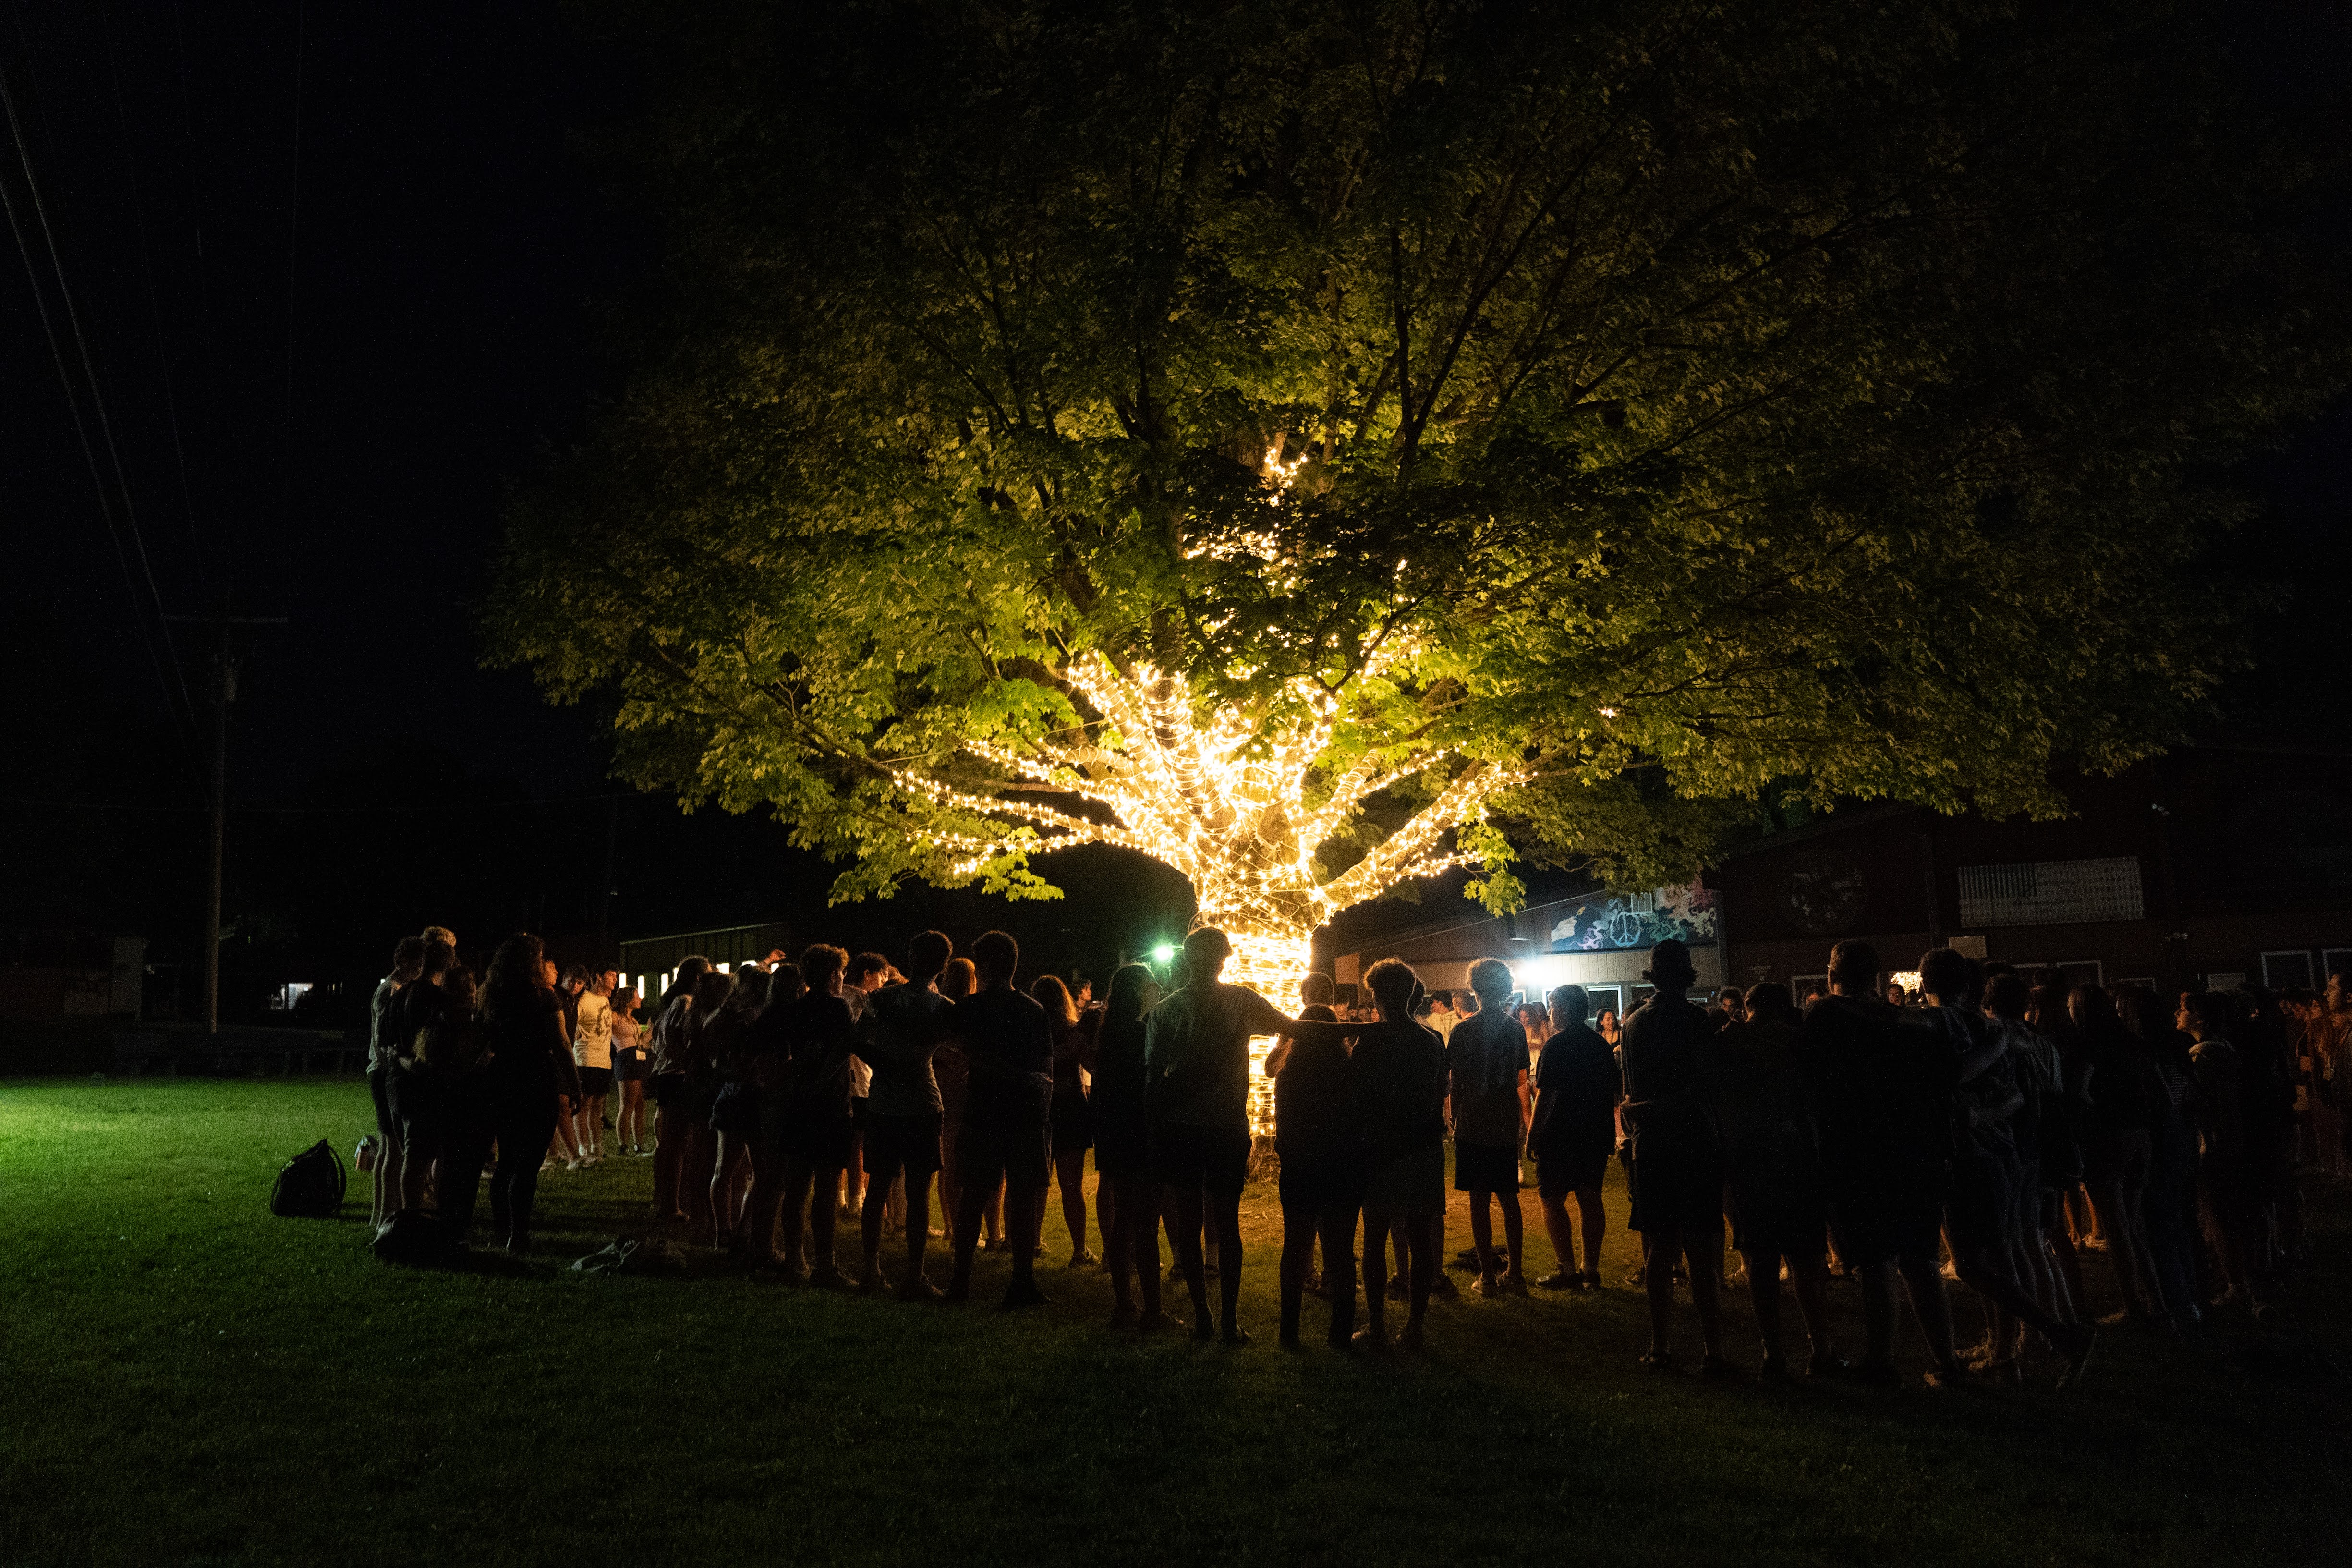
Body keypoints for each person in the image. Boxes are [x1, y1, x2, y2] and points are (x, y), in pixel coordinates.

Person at [1919, 950, 2096, 1386]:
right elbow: (2020, 1095)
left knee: (1973, 1263)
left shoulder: (1933, 1026)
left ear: (1923, 983)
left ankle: (2049, 1336)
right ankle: (2009, 1351)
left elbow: (1944, 1081)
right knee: (2000, 1257)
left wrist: (1968, 1117)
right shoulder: (1993, 1031)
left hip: (1966, 1157)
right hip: (2005, 1152)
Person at [1799, 939, 1965, 1387]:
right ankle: (1946, 1361)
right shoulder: (1906, 1021)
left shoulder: (1824, 1016)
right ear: (1874, 978)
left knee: (1876, 1262)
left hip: (1858, 1154)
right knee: (1920, 1260)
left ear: (1832, 974)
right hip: (1915, 1152)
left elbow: (1807, 1083)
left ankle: (1881, 1360)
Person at [1144, 926, 1313, 1343]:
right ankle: (1228, 1320)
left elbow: (1152, 1080)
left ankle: (1204, 1317)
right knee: (1227, 1222)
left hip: (1181, 1129)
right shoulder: (1240, 1000)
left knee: (1189, 1222)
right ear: (1223, 958)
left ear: (1187, 959)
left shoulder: (1166, 1010)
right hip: (1225, 1126)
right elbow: (1293, 1026)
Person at [1705, 984, 1842, 1377]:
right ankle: (1821, 1350)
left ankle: (1773, 1352)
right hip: (1798, 1159)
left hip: (1748, 1162)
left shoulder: (1727, 1043)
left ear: (1747, 1008)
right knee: (1807, 1260)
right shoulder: (1801, 1042)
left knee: (1761, 1262)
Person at [1617, 940, 1733, 1376]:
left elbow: (1631, 1093)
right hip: (1695, 1144)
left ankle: (1660, 1345)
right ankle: (1713, 1351)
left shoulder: (1635, 1023)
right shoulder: (1696, 1021)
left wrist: (1641, 1113)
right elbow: (1706, 1088)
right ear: (1687, 977)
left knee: (1660, 1250)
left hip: (1653, 1145)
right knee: (1701, 1253)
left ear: (1653, 977)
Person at [946, 930, 1055, 1309]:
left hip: (984, 1111)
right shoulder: (1033, 1010)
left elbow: (958, 1048)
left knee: (974, 1196)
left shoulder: (971, 1009)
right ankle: (1022, 1282)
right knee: (1022, 1199)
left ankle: (961, 1282)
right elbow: (1045, 1071)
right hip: (1024, 1114)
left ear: (988, 966)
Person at [1348, 959, 1448, 1351]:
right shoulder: (1430, 1040)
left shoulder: (1371, 1042)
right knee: (1419, 1237)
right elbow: (1439, 1091)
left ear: (1379, 996)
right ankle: (1414, 1327)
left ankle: (1377, 1326)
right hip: (1422, 1146)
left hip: (1382, 1148)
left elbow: (1356, 1096)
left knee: (1375, 1236)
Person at [856, 930, 958, 1298]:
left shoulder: (882, 999)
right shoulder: (943, 1007)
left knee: (878, 1188)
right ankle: (915, 1275)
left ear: (911, 959)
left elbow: (857, 1039)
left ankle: (871, 1271)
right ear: (944, 965)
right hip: (922, 1104)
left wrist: (885, 1063)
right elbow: (959, 1049)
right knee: (918, 1193)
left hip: (884, 1103)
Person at [1264, 977, 1361, 1348]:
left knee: (1296, 1245)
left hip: (1300, 1166)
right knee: (1340, 1249)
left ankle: (1289, 1331)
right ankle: (1341, 1332)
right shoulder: (1349, 1071)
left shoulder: (1290, 1074)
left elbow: (1284, 1123)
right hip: (1341, 1167)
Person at [464, 934, 570, 1254]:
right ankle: (519, 1233)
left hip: (502, 1078)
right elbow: (562, 1043)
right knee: (529, 1164)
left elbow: (479, 1041)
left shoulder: (489, 993)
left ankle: (502, 1229)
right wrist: (574, 1083)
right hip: (537, 1077)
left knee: (508, 1160)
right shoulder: (544, 996)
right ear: (532, 962)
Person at [2069, 985, 2167, 1324]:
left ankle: (2134, 1306)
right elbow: (2159, 1091)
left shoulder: (2088, 1045)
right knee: (2134, 1223)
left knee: (2116, 1227)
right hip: (2140, 1136)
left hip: (2108, 1139)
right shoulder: (2133, 1042)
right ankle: (2157, 1300)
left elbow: (2080, 1091)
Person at [1092, 963, 1175, 1330]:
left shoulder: (1109, 1032)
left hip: (1116, 1135)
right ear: (1139, 991)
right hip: (1142, 1135)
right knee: (1145, 1225)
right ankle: (1153, 1310)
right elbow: (1157, 1085)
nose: (1158, 988)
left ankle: (1125, 1305)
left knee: (1124, 1219)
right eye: (1152, 983)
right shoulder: (1142, 1034)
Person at [2177, 990, 2270, 1314]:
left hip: (2214, 1145)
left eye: (2183, 1009)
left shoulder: (2204, 1056)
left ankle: (2237, 1286)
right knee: (2232, 1212)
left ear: (2200, 1018)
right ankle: (2246, 1279)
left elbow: (2199, 1103)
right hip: (2231, 1141)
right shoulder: (2225, 1049)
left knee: (2218, 1214)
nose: (2177, 1013)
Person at [1447, 958, 1531, 1297]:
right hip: (1503, 1121)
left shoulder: (1463, 1030)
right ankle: (1516, 1274)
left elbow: (1456, 1082)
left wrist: (1455, 1119)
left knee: (1479, 1202)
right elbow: (1521, 1078)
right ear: (1506, 988)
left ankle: (1487, 1276)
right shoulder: (1515, 1029)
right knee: (1509, 1199)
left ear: (1475, 989)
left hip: (1473, 1122)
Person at [776, 946, 860, 1286]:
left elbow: (789, 1056)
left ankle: (795, 1259)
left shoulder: (795, 1010)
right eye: (841, 972)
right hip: (831, 1107)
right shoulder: (839, 1008)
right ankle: (826, 1265)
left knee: (796, 1188)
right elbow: (843, 1050)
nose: (843, 978)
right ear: (832, 975)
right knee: (826, 1188)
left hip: (798, 1106)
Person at [1530, 983, 1614, 1290]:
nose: (1550, 1013)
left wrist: (1532, 1135)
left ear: (1563, 1010)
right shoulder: (1600, 1045)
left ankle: (1566, 1270)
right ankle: (1590, 1270)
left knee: (1552, 1199)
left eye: (1552, 1006)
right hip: (1594, 1132)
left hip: (1561, 1133)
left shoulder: (1556, 1045)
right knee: (1590, 1198)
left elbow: (1546, 1096)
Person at [1035, 973, 1101, 1267]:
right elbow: (1092, 1064)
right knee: (1072, 1187)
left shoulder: (1033, 1033)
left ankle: (1033, 1242)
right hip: (1071, 1109)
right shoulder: (1073, 1031)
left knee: (1038, 1182)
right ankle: (1079, 1250)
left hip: (1041, 1108)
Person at [646, 956, 714, 1225]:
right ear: (698, 977)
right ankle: (670, 1205)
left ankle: (667, 1199)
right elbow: (674, 1042)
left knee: (673, 1144)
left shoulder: (677, 1002)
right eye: (709, 972)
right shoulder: (684, 1002)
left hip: (672, 1076)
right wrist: (691, 1062)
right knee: (676, 1144)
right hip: (677, 1078)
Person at [366, 936, 427, 1228]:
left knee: (388, 1147)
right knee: (394, 1148)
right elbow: (382, 1039)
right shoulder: (391, 990)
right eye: (415, 961)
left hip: (382, 1069)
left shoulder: (395, 988)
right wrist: (397, 1061)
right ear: (401, 961)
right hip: (384, 1070)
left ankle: (379, 1215)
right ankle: (386, 1216)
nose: (419, 967)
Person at [573, 967, 616, 1162]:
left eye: (616, 976)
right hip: (586, 1058)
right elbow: (574, 1027)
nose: (615, 980)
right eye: (611, 975)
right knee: (583, 1106)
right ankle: (583, 1149)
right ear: (598, 976)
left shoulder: (606, 1000)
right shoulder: (584, 999)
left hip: (603, 1059)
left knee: (598, 1107)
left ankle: (597, 1147)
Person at [609, 987, 650, 1156]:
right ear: (627, 999)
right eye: (637, 996)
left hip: (637, 1058)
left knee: (640, 1105)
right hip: (625, 1059)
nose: (640, 999)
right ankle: (623, 1146)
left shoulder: (633, 1019)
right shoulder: (615, 1017)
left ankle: (638, 1146)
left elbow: (642, 1042)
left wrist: (651, 1029)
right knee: (627, 1105)